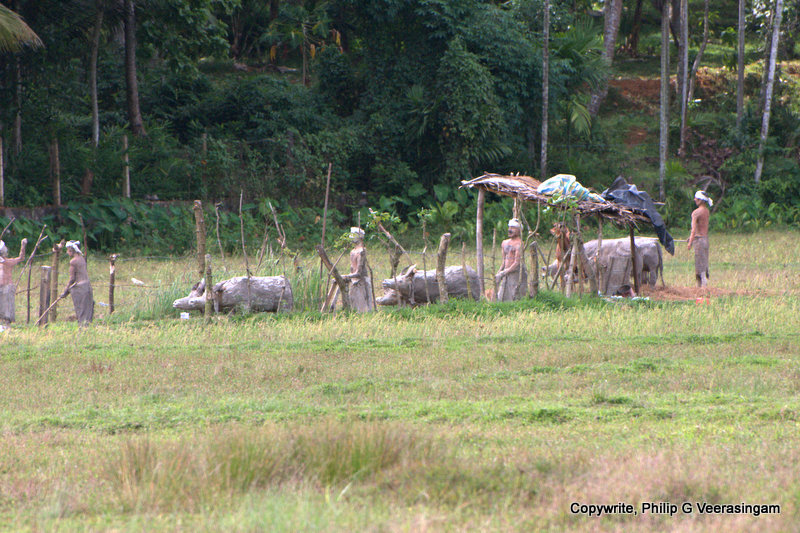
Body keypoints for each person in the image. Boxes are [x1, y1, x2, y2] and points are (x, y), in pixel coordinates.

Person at [60, 240, 94, 324]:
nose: (67, 252)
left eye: (67, 250)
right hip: (88, 286)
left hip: (80, 289)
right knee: (88, 311)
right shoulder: (82, 258)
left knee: (81, 312)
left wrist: (65, 292)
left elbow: (72, 279)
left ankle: (82, 330)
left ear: (71, 250)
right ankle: (87, 329)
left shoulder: (73, 261)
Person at [341, 227, 374, 312]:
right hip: (353, 281)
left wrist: (347, 276)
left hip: (361, 282)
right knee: (353, 307)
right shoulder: (352, 251)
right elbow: (352, 268)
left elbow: (358, 272)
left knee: (362, 308)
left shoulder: (361, 251)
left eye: (354, 235)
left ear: (360, 236)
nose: (351, 237)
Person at [496, 218, 527, 301]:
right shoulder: (504, 243)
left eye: (513, 228)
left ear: (519, 230)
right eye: (509, 227)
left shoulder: (519, 244)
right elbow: (504, 260)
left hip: (516, 274)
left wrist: (504, 272)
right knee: (502, 295)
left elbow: (517, 262)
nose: (510, 230)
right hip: (506, 272)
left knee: (515, 296)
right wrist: (500, 271)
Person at [687, 191, 712, 288]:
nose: (694, 200)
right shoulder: (706, 211)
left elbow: (693, 230)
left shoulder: (696, 213)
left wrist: (690, 242)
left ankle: (703, 287)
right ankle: (700, 287)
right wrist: (691, 238)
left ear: (701, 200)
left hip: (699, 241)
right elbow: (700, 228)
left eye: (696, 198)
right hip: (705, 239)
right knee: (704, 262)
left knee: (699, 264)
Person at [0, 238, 27, 324]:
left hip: (7, 288)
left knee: (7, 310)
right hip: (1, 288)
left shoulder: (8, 262)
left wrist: (23, 246)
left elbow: (21, 258)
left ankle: (8, 323)